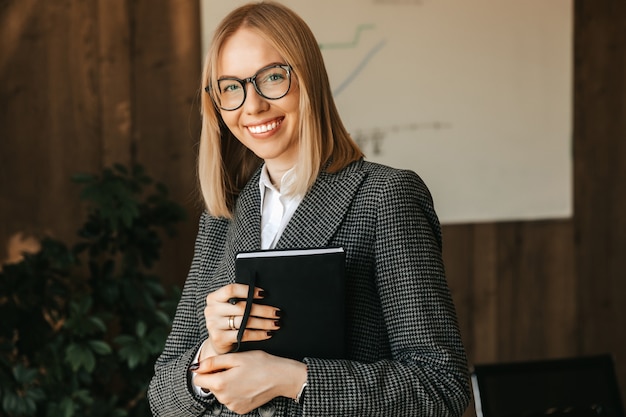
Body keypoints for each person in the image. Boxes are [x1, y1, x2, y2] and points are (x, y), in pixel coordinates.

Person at [147, 2, 471, 416]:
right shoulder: (223, 217)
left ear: (309, 79)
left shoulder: (385, 196)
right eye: (231, 87)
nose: (253, 106)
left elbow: (439, 385)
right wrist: (209, 351)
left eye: (272, 78)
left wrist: (290, 378)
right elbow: (162, 397)